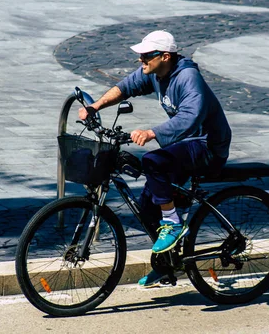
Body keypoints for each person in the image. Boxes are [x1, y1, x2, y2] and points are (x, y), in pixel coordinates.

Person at [78, 30, 231, 287]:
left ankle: (172, 224)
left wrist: (152, 133)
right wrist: (96, 106)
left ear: (165, 56)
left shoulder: (187, 77)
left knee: (153, 161)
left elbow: (191, 117)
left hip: (207, 146)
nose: (141, 60)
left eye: (146, 56)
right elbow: (125, 87)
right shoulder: (157, 73)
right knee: (147, 208)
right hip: (184, 147)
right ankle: (167, 265)